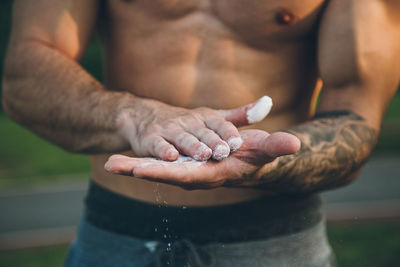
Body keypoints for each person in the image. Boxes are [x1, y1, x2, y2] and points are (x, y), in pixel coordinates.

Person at [2, 0, 400, 266]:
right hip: (115, 234)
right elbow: (24, 75)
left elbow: (355, 120)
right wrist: (134, 116)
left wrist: (265, 165)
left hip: (273, 241)